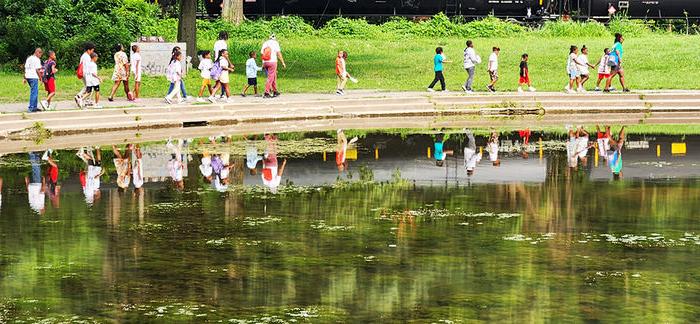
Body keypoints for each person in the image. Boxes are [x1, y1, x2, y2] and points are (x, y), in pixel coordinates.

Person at [261, 34, 286, 98]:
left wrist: (263, 63)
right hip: (272, 62)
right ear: (274, 38)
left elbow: (262, 53)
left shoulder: (265, 43)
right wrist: (283, 62)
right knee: (270, 77)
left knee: (273, 76)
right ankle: (266, 92)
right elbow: (278, 54)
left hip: (265, 62)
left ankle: (275, 91)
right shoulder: (275, 43)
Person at [75, 42, 96, 107]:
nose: (92, 52)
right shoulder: (87, 57)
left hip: (83, 73)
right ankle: (84, 99)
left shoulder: (83, 55)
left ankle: (79, 96)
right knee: (90, 88)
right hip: (86, 74)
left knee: (87, 86)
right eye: (92, 50)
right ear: (88, 50)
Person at [24, 48, 43, 113]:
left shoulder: (29, 58)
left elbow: (26, 68)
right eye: (40, 54)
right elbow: (37, 70)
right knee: (34, 93)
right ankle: (31, 108)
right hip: (33, 77)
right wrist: (41, 78)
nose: (40, 56)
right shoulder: (37, 59)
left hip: (28, 77)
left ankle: (34, 107)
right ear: (38, 52)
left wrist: (25, 78)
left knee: (35, 92)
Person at [213, 31, 229, 98]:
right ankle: (222, 93)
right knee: (223, 78)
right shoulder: (224, 43)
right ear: (225, 36)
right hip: (222, 60)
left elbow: (214, 52)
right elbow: (225, 54)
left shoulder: (216, 43)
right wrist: (229, 62)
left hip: (216, 60)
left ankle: (214, 92)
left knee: (219, 78)